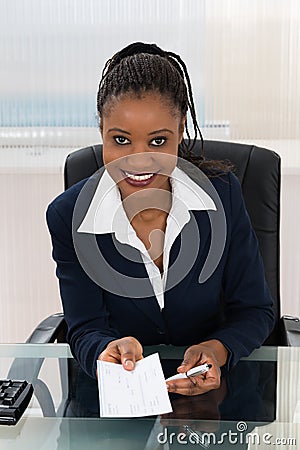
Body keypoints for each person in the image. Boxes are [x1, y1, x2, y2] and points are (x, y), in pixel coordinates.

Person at [46, 42, 275, 396]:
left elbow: (255, 310)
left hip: (219, 401)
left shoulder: (223, 196)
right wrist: (105, 350)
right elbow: (85, 327)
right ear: (101, 131)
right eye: (120, 140)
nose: (138, 161)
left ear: (180, 130)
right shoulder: (68, 217)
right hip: (121, 405)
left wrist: (217, 350)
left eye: (157, 141)